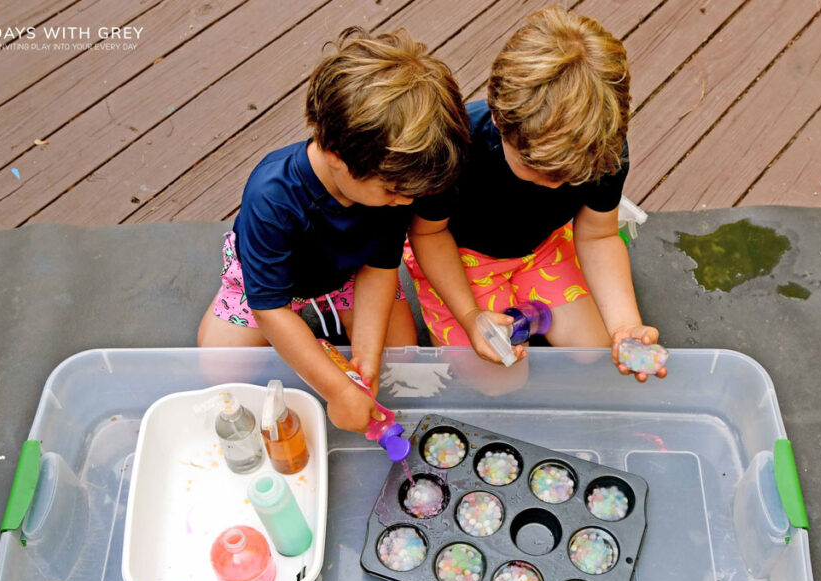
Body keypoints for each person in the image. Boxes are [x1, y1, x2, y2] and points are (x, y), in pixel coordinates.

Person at [198, 27, 469, 431]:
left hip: (351, 271)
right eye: (394, 192)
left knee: (400, 361)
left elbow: (379, 266)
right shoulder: (272, 195)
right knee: (220, 372)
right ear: (335, 156)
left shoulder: (396, 183)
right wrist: (337, 388)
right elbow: (269, 307)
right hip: (279, 284)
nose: (405, 203)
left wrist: (365, 359)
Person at [405, 6, 665, 382]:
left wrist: (625, 325)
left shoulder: (602, 149)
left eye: (572, 175)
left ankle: (529, 310)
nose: (554, 184)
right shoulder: (453, 147)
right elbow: (428, 233)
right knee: (497, 382)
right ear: (498, 118)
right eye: (535, 167)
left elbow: (598, 235)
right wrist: (470, 315)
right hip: (461, 255)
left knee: (595, 350)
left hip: (543, 247)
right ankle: (505, 312)